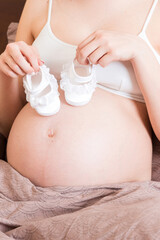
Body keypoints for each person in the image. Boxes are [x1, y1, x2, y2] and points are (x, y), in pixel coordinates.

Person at [0, 0, 160, 187]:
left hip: (112, 197)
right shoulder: (40, 3)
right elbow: (9, 123)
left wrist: (141, 51)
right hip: (17, 187)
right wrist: (6, 73)